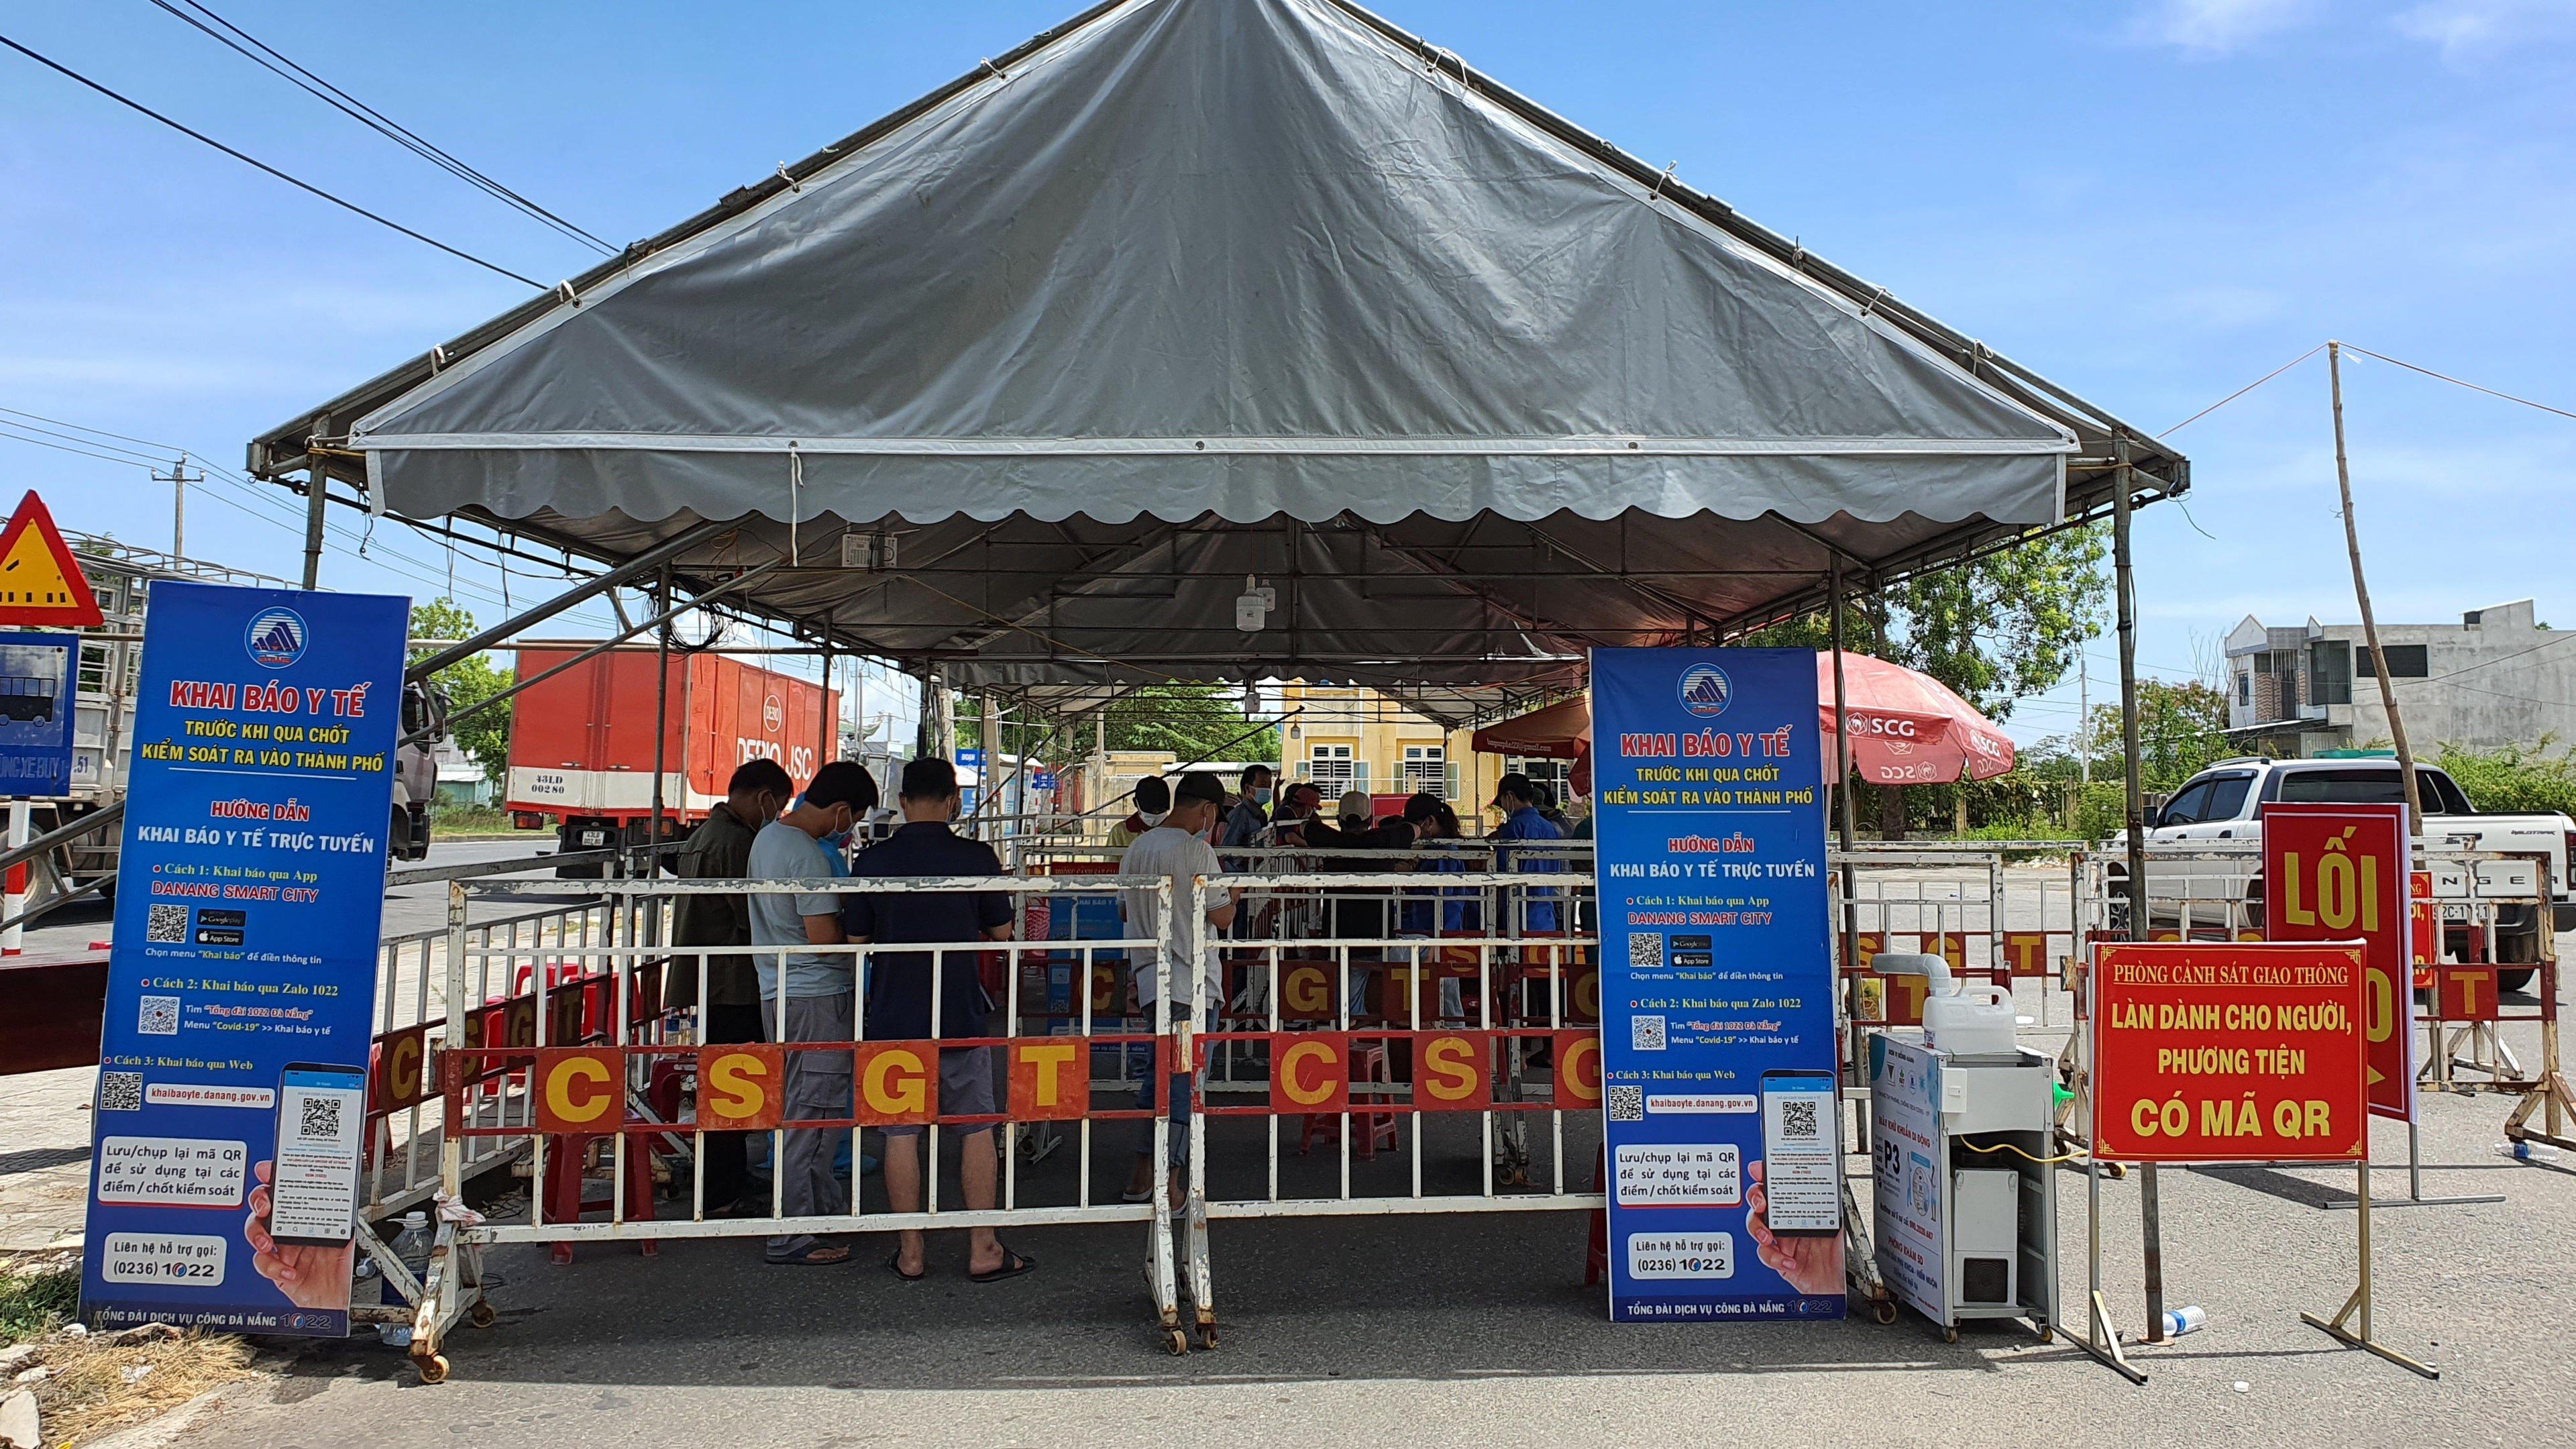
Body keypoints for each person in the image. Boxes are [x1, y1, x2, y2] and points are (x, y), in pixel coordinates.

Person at [844, 757, 1032, 1283]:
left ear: (902, 802)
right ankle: (983, 1246)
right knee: (976, 1127)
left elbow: (856, 938)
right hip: (959, 1011)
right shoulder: (976, 858)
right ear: (954, 801)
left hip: (893, 1014)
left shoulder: (873, 861)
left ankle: (911, 1252)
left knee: (900, 1134)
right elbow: (1002, 932)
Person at [746, 759, 876, 1265]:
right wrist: (861, 931)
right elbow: (824, 940)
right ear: (841, 809)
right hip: (817, 995)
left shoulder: (768, 838)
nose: (851, 829)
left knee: (800, 1108)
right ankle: (793, 1231)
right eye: (854, 818)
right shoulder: (808, 857)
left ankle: (821, 1214)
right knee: (813, 1115)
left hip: (778, 990)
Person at [667, 757, 793, 1216]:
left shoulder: (706, 833)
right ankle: (722, 1193)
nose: (777, 816)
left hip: (711, 978)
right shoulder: (737, 842)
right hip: (731, 981)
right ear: (764, 798)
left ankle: (730, 1177)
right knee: (732, 1086)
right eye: (779, 806)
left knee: (726, 1082)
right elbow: (752, 915)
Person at [1118, 772, 1240, 1206]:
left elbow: (1123, 911)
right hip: (1191, 984)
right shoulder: (1197, 850)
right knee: (1184, 1082)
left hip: (1152, 979)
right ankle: (1169, 1181)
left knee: (1158, 1077)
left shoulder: (1137, 849)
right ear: (1207, 810)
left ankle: (1140, 1176)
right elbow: (1222, 916)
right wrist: (1237, 894)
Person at [1490, 772, 1566, 934]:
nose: (1503, 807)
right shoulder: (1550, 828)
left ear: (1510, 797)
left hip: (1517, 915)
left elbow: (1501, 870)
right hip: (1546, 915)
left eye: (1502, 801)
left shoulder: (1512, 828)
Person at [1108, 774, 1171, 849]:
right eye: (1149, 809)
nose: (1155, 813)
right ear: (1135, 803)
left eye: (1161, 809)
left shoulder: (1176, 832)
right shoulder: (1120, 833)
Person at [1219, 764, 1273, 851]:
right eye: (1262, 785)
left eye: (1269, 785)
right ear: (1247, 788)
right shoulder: (1239, 815)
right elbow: (1228, 851)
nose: (1267, 789)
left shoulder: (1261, 815)